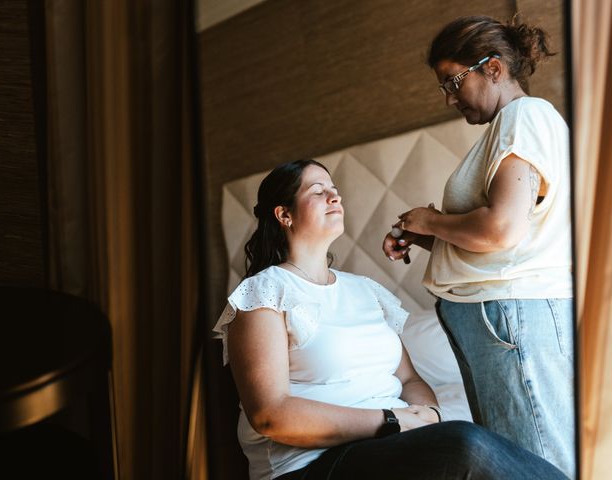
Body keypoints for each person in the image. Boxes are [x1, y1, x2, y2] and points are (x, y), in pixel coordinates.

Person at [214, 159, 568, 480]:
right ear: (284, 214)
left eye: (335, 191)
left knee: (462, 437)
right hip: (311, 464)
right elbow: (270, 414)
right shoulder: (262, 293)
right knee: (464, 444)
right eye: (318, 191)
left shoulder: (365, 291)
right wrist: (393, 421)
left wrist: (427, 412)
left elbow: (410, 378)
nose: (334, 197)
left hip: (386, 448)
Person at [382, 15, 574, 478]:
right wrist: (430, 237)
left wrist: (429, 218)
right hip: (500, 316)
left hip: (509, 315)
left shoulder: (524, 117)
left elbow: (499, 231)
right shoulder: (511, 126)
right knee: (514, 461)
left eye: (453, 81)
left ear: (492, 68)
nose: (449, 98)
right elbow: (501, 239)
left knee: (533, 461)